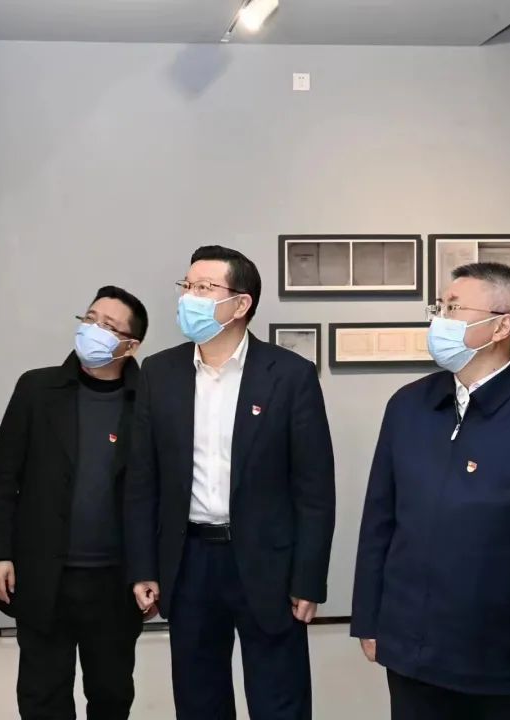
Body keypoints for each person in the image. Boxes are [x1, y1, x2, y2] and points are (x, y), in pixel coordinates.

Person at [351, 262, 510, 720]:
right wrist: (369, 618)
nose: (440, 320)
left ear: (502, 327)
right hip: (411, 654)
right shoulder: (408, 406)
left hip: (504, 664)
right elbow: (379, 523)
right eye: (439, 307)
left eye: (454, 308)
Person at [124, 246, 335, 719]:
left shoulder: (290, 376)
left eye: (203, 287)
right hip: (190, 560)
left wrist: (309, 578)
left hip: (268, 561)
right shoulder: (160, 372)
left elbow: (315, 490)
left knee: (279, 699)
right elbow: (142, 481)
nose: (188, 297)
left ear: (241, 304)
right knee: (199, 699)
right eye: (186, 286)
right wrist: (144, 566)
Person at [0, 286, 150, 720]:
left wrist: (153, 572)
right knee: (42, 694)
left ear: (130, 345)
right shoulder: (37, 389)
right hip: (43, 573)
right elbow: (3, 475)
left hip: (115, 579)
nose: (93, 329)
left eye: (108, 325)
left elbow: (160, 492)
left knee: (111, 693)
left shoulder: (149, 400)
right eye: (90, 318)